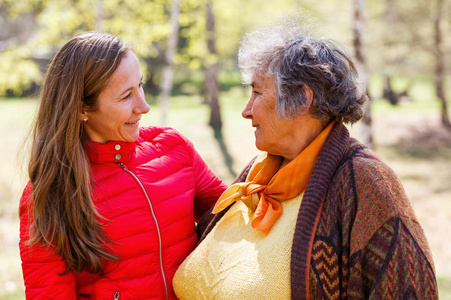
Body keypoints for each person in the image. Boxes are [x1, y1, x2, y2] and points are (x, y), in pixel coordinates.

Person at [173, 18, 439, 299]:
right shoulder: (257, 172)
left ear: (302, 99)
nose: (246, 110)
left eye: (257, 92)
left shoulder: (364, 182)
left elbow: (412, 290)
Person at [19, 32, 227, 299]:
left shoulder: (174, 148)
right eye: (126, 96)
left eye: (140, 85)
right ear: (82, 107)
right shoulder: (49, 193)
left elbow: (230, 214)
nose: (144, 106)